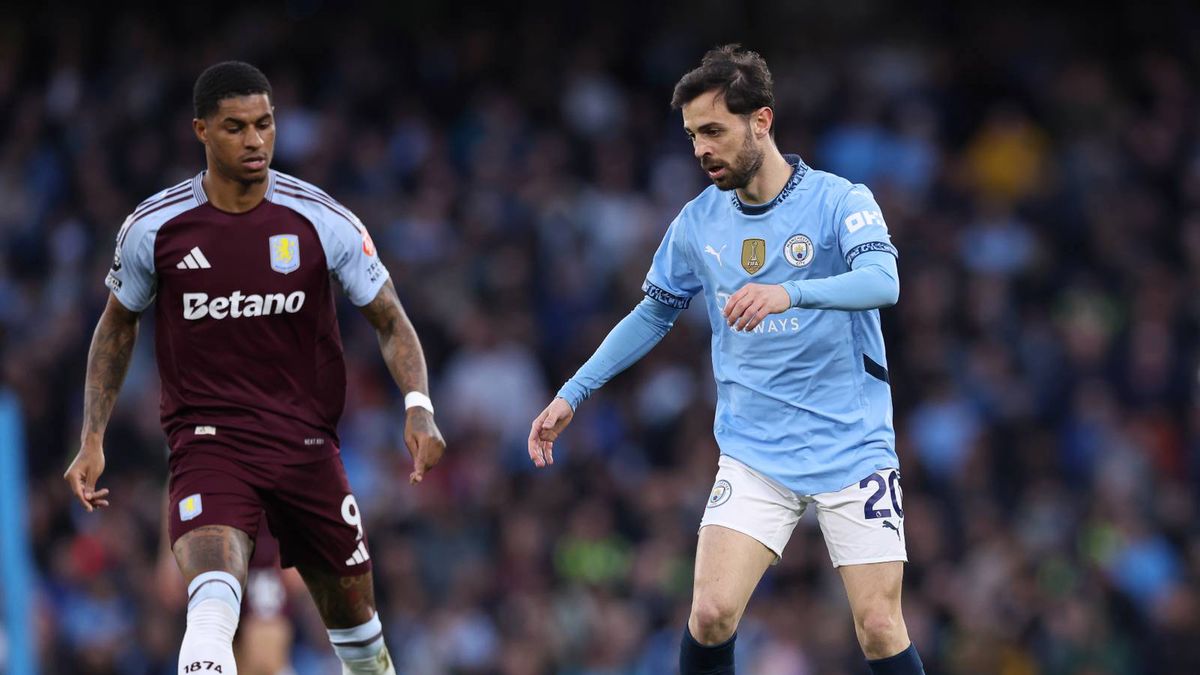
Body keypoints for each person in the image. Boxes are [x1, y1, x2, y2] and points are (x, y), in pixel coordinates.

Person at [529, 45, 924, 674]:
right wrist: (571, 393)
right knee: (710, 613)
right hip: (755, 452)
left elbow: (884, 282)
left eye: (713, 130)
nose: (701, 150)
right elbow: (653, 312)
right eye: (691, 136)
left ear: (760, 122)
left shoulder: (839, 200)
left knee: (879, 628)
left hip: (853, 449)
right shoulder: (697, 224)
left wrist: (788, 291)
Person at [63, 61, 445, 675]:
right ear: (201, 132)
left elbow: (392, 320)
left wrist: (419, 408)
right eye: (236, 127)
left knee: (363, 644)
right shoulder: (154, 229)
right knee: (212, 603)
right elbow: (117, 325)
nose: (255, 141)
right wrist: (92, 437)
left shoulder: (323, 221)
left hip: (307, 449)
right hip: (208, 442)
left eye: (265, 124)